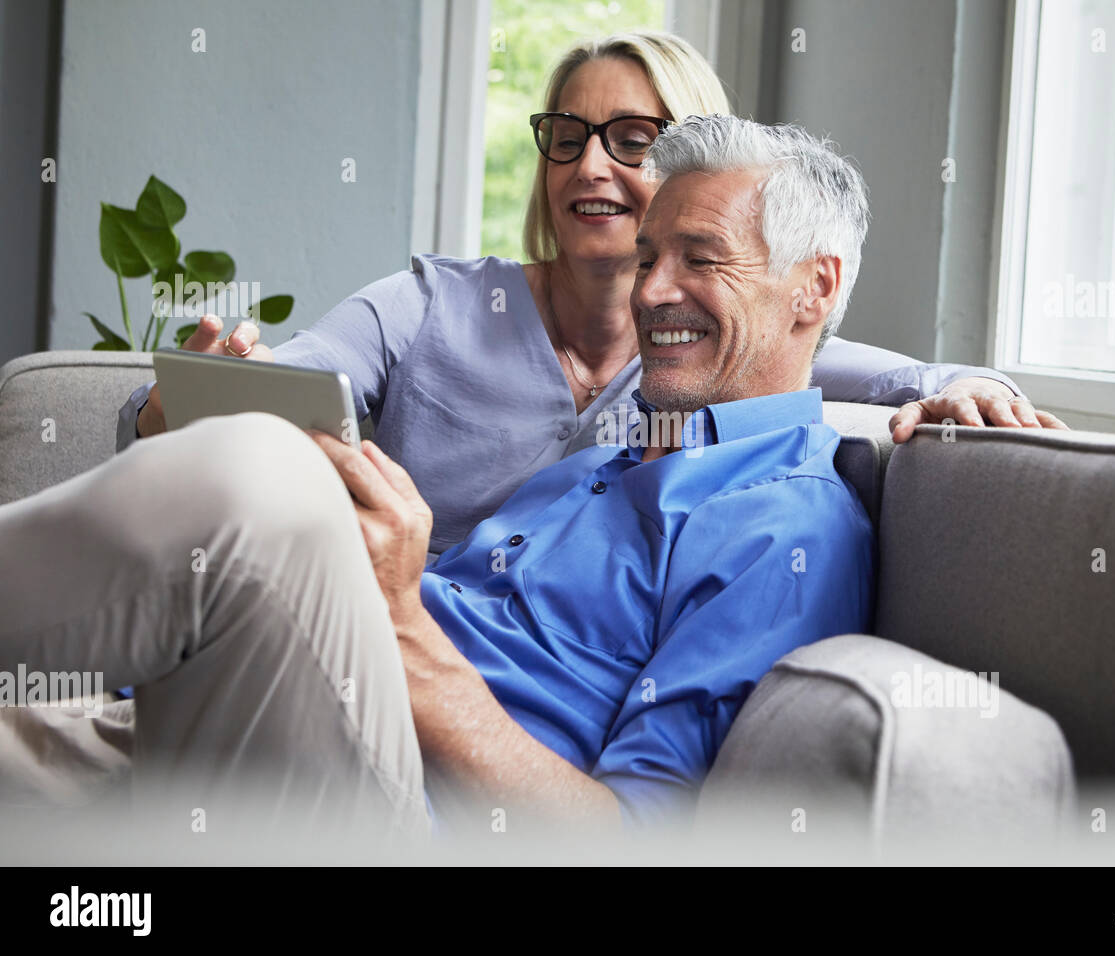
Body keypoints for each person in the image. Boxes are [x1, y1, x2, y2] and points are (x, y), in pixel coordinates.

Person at [5, 115, 917, 843]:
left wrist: (397, 621)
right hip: (224, 727)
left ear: (813, 289)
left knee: (267, 473)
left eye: (700, 259)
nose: (650, 291)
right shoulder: (596, 466)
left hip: (396, 812)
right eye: (648, 257)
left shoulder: (786, 528)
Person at [117, 31, 1058, 562]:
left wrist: (974, 388)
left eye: (632, 138)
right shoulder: (423, 304)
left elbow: (908, 373)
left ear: (697, 163)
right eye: (566, 135)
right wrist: (193, 391)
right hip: (381, 620)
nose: (590, 165)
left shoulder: (705, 347)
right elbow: (277, 386)